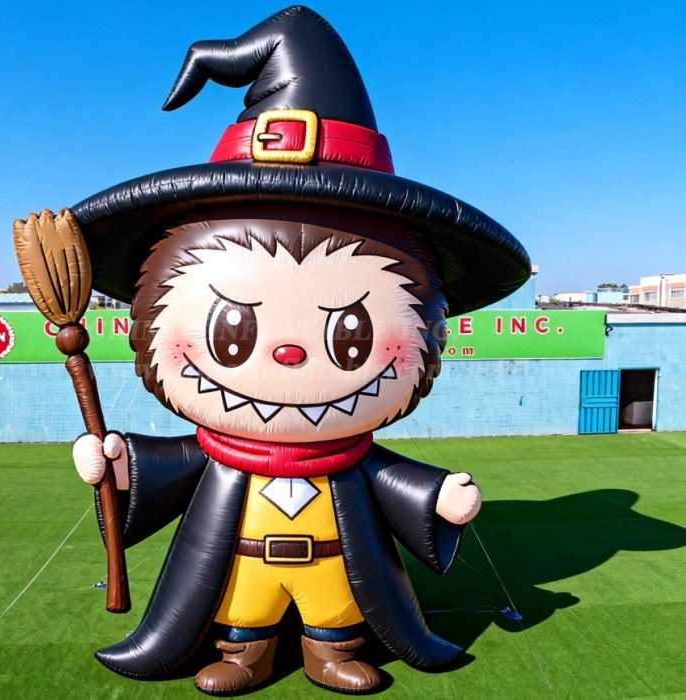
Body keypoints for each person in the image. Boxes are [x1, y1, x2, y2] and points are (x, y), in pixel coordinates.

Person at [67, 6, 530, 695]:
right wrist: (115, 465)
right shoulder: (218, 452)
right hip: (242, 561)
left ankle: (331, 650)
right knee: (242, 603)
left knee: (334, 604)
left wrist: (439, 495)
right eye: (233, 330)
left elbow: (388, 477)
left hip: (336, 564)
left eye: (350, 334)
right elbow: (168, 466)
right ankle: (242, 652)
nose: (287, 354)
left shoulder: (350, 456)